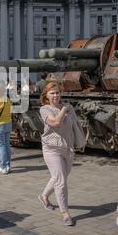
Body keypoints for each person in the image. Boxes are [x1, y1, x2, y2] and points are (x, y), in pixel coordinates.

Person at [39, 81, 85, 226]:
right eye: (52, 93)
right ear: (46, 95)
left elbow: (75, 125)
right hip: (52, 149)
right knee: (61, 181)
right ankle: (65, 213)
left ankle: (44, 196)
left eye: (58, 92)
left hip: (68, 149)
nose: (56, 95)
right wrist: (64, 110)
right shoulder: (45, 109)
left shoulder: (67, 107)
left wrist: (79, 141)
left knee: (60, 177)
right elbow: (55, 123)